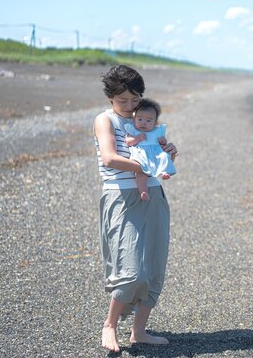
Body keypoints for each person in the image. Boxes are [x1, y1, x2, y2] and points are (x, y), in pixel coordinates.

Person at [93, 65, 178, 352]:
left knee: (153, 268)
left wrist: (167, 153)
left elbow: (158, 150)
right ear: (110, 98)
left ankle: (138, 331)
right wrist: (146, 165)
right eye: (122, 101)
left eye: (135, 99)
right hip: (121, 197)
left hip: (153, 195)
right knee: (131, 270)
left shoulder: (146, 120)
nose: (130, 107)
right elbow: (109, 158)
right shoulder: (105, 120)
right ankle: (110, 325)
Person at [124, 98, 177, 201]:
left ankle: (165, 172)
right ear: (134, 119)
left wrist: (163, 141)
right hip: (141, 155)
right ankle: (143, 191)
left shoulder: (157, 131)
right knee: (140, 173)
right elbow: (128, 141)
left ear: (154, 123)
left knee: (165, 156)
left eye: (148, 120)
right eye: (140, 119)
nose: (143, 123)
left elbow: (163, 143)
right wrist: (137, 138)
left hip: (155, 155)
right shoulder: (133, 130)